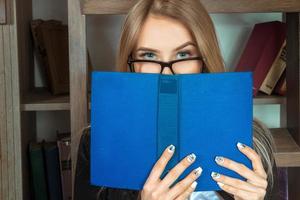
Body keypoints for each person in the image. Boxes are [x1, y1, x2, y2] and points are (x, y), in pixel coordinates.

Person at [75, 0, 279, 199]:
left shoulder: (255, 143)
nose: (167, 75)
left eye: (183, 54)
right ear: (131, 64)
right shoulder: (95, 144)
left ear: (204, 60)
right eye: (149, 56)